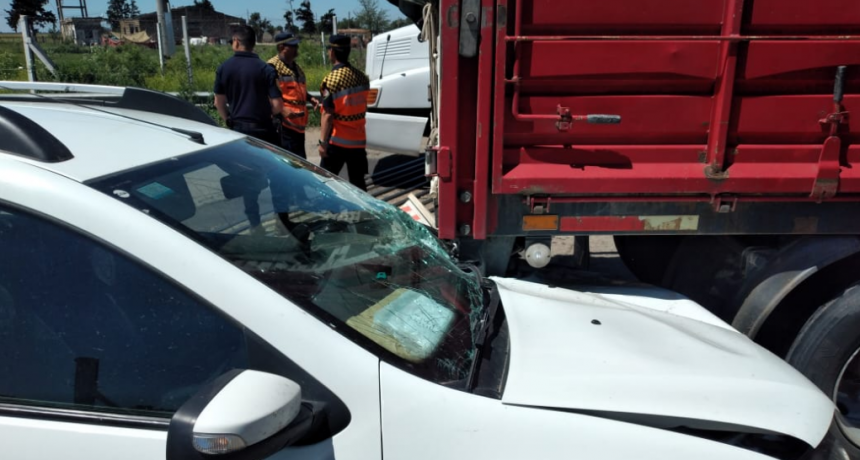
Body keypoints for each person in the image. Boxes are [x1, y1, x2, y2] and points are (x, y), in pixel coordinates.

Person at [318, 34, 371, 192]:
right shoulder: (362, 77)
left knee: (326, 181)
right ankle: (363, 214)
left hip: (337, 142)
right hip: (358, 139)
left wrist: (322, 143)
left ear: (332, 52)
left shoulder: (331, 80)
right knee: (358, 183)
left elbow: (328, 115)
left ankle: (330, 213)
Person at [214, 25, 283, 144]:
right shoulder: (266, 69)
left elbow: (218, 102)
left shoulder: (223, 68)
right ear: (253, 43)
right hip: (263, 129)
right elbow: (278, 105)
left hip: (237, 129)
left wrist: (228, 120)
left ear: (236, 42)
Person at [267, 32, 319, 159]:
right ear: (281, 47)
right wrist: (282, 109)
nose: (297, 49)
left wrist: (310, 98)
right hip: (284, 124)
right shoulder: (272, 67)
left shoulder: (296, 67)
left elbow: (297, 89)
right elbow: (265, 92)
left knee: (300, 162)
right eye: (293, 46)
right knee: (287, 162)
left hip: (298, 124)